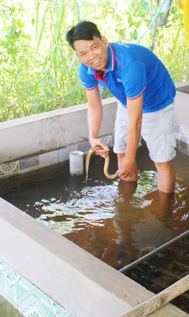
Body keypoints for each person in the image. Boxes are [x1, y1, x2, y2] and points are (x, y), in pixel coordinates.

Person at [66, 21, 177, 193]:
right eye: (83, 53)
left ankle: (164, 214)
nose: (91, 56)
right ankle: (127, 203)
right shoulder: (86, 69)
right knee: (122, 152)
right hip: (129, 99)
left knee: (161, 161)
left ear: (104, 41)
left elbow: (136, 120)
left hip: (156, 102)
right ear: (78, 56)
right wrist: (93, 137)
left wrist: (131, 160)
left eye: (94, 47)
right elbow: (94, 105)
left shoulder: (129, 65)